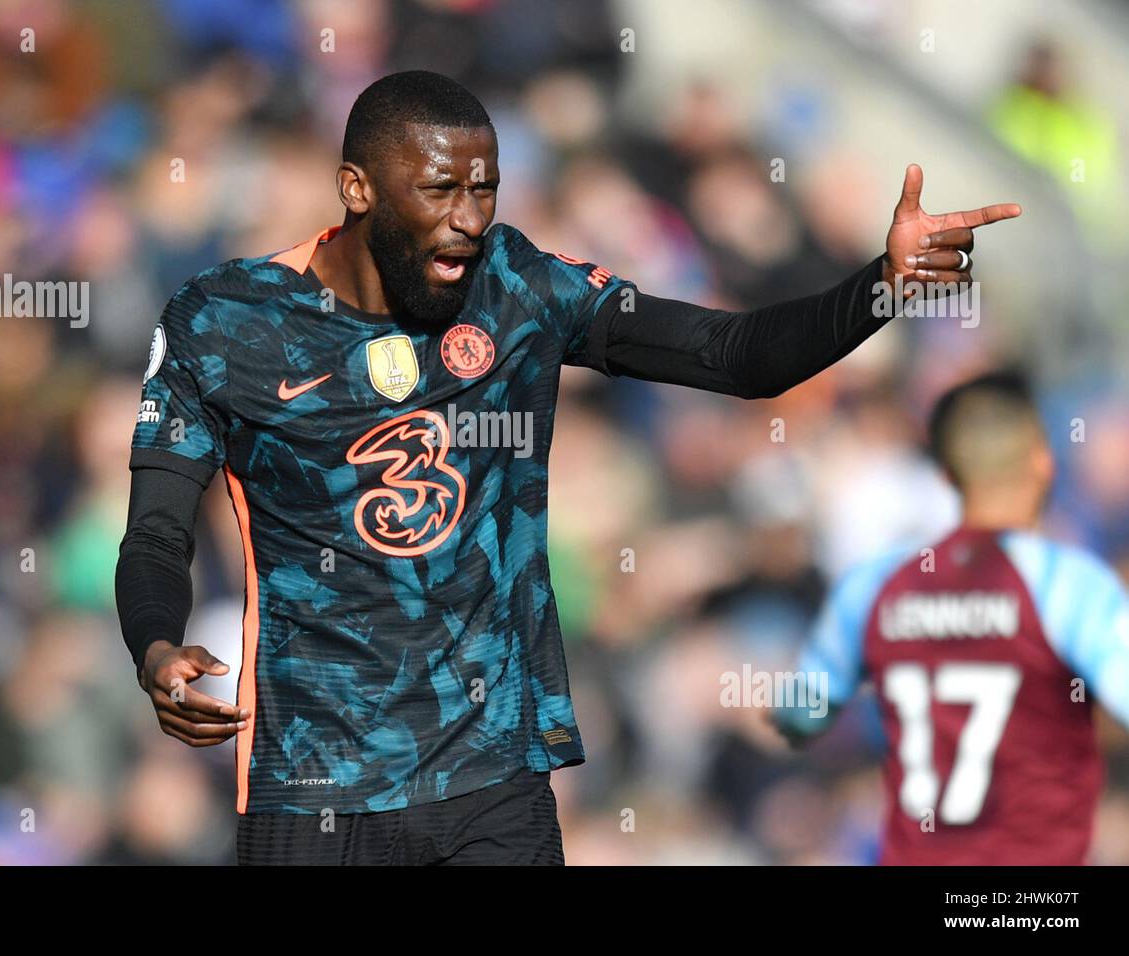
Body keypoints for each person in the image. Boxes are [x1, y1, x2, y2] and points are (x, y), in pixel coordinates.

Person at [115, 70, 1021, 865]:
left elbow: (735, 354)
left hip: (492, 778)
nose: (470, 220)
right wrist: (156, 646)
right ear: (357, 188)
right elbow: (157, 529)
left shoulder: (518, 287)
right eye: (441, 191)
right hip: (313, 790)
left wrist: (879, 284)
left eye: (487, 190)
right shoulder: (223, 322)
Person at [775, 372, 1129, 864]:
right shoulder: (1067, 584)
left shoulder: (875, 584)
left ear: (947, 476)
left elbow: (802, 715)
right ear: (1043, 466)